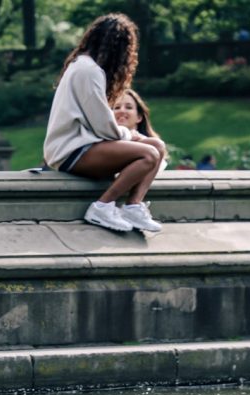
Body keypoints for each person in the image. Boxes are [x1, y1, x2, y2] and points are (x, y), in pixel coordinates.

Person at [42, 13, 166, 233]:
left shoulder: (85, 67)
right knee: (149, 154)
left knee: (158, 146)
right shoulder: (88, 71)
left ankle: (133, 207)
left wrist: (129, 136)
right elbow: (102, 125)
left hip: (81, 145)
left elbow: (99, 124)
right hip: (70, 150)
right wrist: (130, 135)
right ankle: (102, 206)